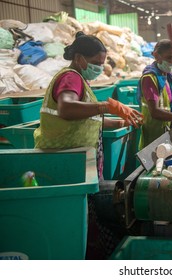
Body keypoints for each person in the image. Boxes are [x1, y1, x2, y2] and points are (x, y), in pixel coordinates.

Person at [33, 31, 144, 259]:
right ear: (80, 58)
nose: (99, 68)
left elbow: (89, 117)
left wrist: (122, 120)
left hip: (73, 158)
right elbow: (66, 108)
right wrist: (105, 106)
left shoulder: (80, 79)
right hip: (65, 160)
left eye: (102, 64)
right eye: (95, 63)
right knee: (77, 221)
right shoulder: (71, 77)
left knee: (86, 219)